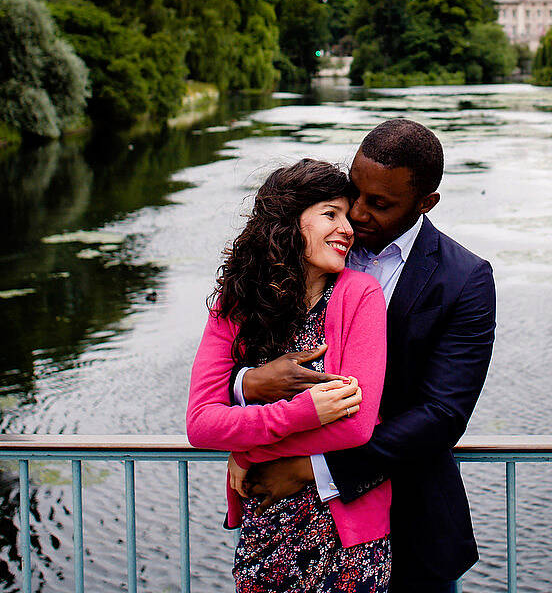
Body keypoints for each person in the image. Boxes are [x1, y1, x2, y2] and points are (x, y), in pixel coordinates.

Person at [236, 119, 497, 593]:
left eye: (379, 204)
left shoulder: (465, 280)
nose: (355, 213)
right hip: (294, 530)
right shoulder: (309, 246)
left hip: (413, 528)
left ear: (425, 204)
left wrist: (312, 471)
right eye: (354, 192)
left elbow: (442, 413)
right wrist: (247, 386)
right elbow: (241, 345)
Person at [186, 158, 392, 592]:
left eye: (347, 216)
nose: (348, 229)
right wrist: (303, 414)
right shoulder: (235, 303)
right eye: (330, 215)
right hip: (266, 530)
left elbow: (356, 427)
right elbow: (202, 424)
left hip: (347, 539)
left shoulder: (361, 296)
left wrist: (247, 452)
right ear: (287, 223)